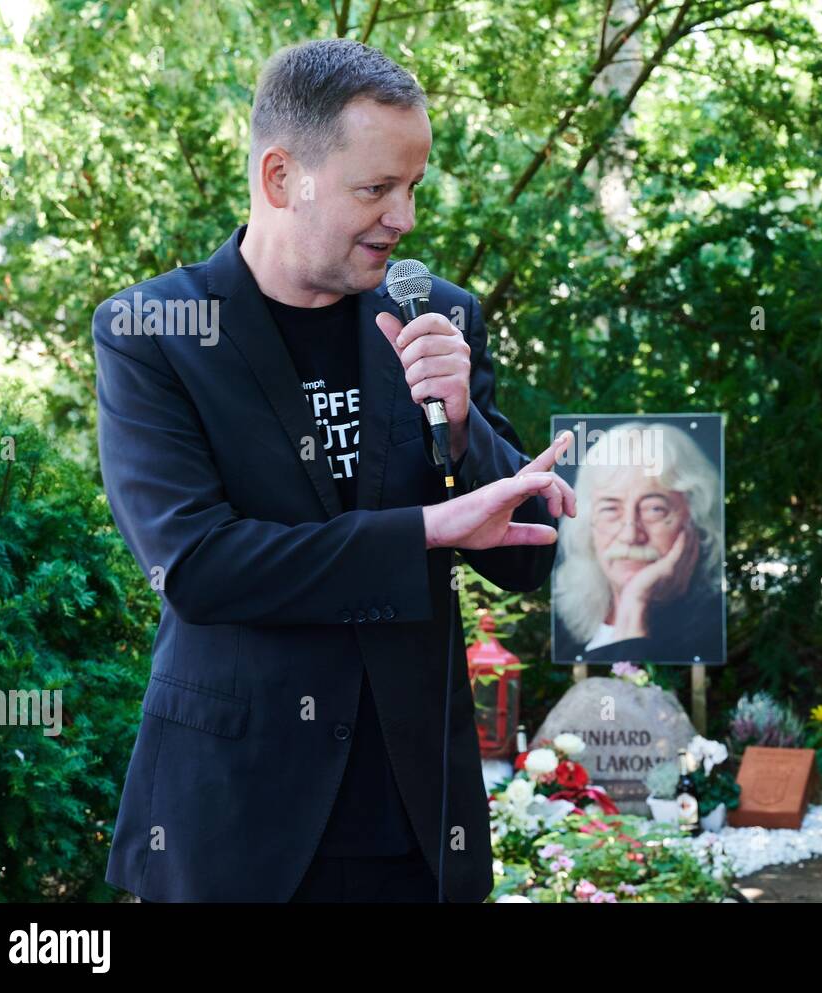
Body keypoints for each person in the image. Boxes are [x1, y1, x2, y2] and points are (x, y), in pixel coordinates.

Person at [93, 38, 575, 903]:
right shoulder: (155, 330)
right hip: (234, 827)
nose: (405, 218)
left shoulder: (437, 315)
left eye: (413, 187)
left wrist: (463, 430)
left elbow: (527, 556)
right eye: (376, 189)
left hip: (413, 827)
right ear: (282, 177)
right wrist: (425, 531)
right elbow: (201, 568)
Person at [551, 421, 724, 663]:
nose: (631, 535)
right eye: (611, 509)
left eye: (655, 509)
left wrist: (635, 604)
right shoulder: (570, 639)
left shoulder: (709, 633)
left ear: (695, 520)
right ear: (588, 525)